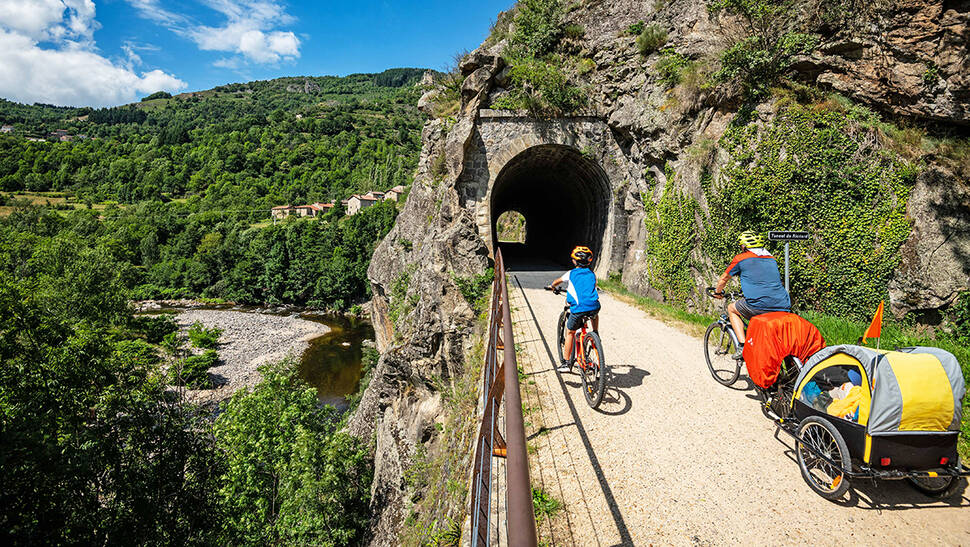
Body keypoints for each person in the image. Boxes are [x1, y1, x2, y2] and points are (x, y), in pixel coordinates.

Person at [713, 230, 791, 359]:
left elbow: (724, 278)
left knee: (731, 308)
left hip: (759, 305)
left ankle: (743, 346)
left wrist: (718, 292)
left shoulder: (741, 258)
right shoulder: (771, 258)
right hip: (783, 304)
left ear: (744, 246)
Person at [547, 246, 600, 372]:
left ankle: (565, 363)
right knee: (593, 312)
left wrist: (552, 287)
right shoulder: (592, 274)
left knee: (570, 331)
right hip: (594, 307)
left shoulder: (571, 273)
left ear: (574, 261)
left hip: (579, 308)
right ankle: (596, 333)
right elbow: (593, 286)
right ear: (589, 261)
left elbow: (556, 282)